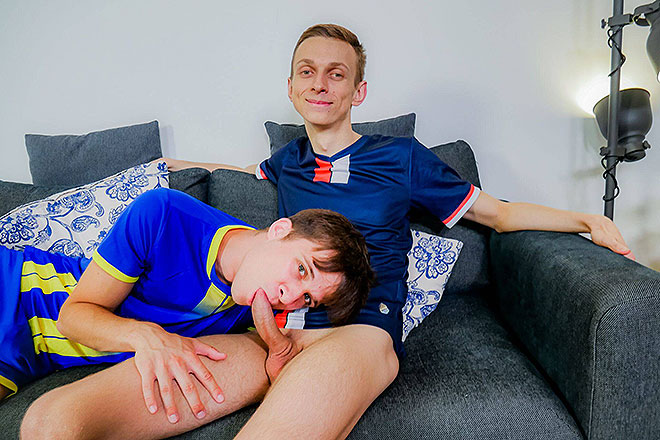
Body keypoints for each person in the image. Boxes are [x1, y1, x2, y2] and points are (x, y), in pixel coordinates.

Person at [22, 24, 635, 440]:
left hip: (358, 329)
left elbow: (497, 214)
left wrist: (585, 218)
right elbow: (232, 172)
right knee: (58, 421)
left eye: (336, 73)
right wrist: (164, 168)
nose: (320, 82)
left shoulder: (401, 158)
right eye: (307, 71)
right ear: (292, 87)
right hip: (270, 333)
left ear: (357, 90)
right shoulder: (286, 162)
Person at [3, 187, 373, 420]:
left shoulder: (257, 311)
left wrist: (276, 354)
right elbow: (72, 317)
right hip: (18, 288)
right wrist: (148, 336)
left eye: (307, 298)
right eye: (301, 269)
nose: (289, 296)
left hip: (31, 358)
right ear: (279, 230)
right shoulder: (163, 214)